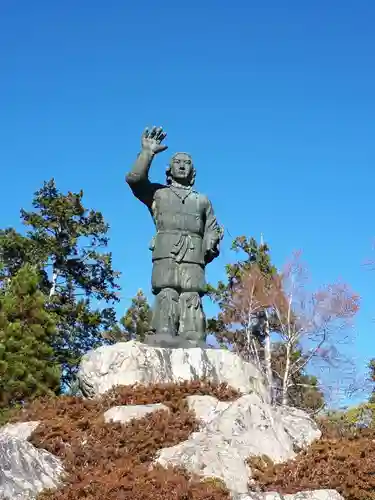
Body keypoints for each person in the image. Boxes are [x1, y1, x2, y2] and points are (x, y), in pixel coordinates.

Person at [126, 126, 223, 347]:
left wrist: (211, 241)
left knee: (191, 294)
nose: (181, 165)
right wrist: (147, 153)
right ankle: (164, 332)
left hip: (193, 252)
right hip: (166, 250)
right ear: (169, 169)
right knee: (166, 290)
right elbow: (135, 180)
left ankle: (193, 335)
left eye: (186, 162)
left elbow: (213, 227)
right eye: (177, 161)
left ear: (193, 171)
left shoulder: (202, 200)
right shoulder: (158, 194)